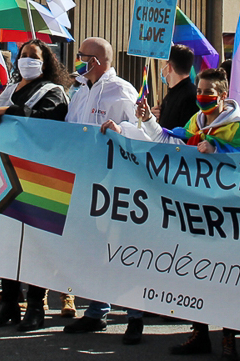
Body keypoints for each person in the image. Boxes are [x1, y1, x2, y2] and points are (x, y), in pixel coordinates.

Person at [106, 68, 240, 360]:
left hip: (224, 214)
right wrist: (148, 119)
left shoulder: (235, 128)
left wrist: (219, 148)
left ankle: (228, 338)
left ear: (223, 95)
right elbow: (170, 142)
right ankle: (199, 333)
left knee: (224, 276)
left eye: (208, 93)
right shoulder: (194, 122)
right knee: (197, 274)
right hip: (192, 209)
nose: (201, 97)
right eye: (199, 91)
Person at [0, 40, 70, 332]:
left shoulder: (53, 92)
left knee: (36, 244)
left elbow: (46, 120)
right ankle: (9, 303)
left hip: (40, 176)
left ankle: (35, 306)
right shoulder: (9, 89)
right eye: (23, 55)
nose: (27, 60)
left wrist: (11, 112)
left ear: (46, 63)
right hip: (7, 172)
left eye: (34, 56)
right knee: (7, 240)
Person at [60, 37, 143, 340]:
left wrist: (122, 130)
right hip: (86, 178)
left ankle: (135, 315)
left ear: (96, 60)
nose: (79, 60)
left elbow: (144, 130)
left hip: (115, 181)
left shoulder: (121, 91)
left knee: (119, 248)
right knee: (93, 249)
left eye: (82, 56)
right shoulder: (81, 91)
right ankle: (97, 310)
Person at [66, 37, 139, 126]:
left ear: (93, 61)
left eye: (80, 55)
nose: (77, 59)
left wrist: (121, 130)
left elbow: (139, 127)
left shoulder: (123, 90)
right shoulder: (81, 91)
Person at [155, 44, 199, 129]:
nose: (161, 68)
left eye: (162, 63)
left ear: (169, 67)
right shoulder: (172, 94)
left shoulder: (189, 97)